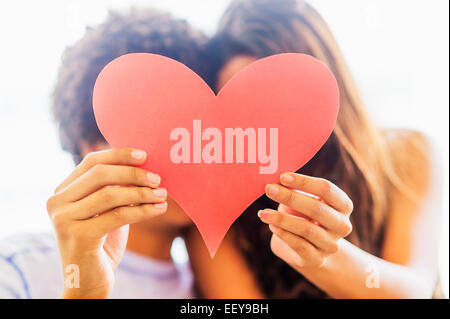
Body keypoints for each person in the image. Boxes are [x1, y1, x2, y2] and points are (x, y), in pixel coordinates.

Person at [187, 0, 444, 298]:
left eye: (277, 95)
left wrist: (327, 259)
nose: (262, 120)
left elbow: (415, 290)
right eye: (241, 104)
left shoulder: (407, 153)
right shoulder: (217, 215)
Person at [0, 8, 211, 299]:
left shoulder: (223, 289)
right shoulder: (16, 269)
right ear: (95, 150)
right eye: (166, 126)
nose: (196, 147)